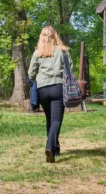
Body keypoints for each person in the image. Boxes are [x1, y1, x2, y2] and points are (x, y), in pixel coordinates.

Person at [28, 26, 72, 163]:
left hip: (42, 90)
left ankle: (55, 148)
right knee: (56, 120)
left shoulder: (37, 53)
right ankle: (50, 147)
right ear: (55, 36)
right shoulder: (63, 51)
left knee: (49, 119)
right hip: (58, 88)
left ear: (41, 37)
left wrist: (36, 81)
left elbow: (30, 74)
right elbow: (70, 69)